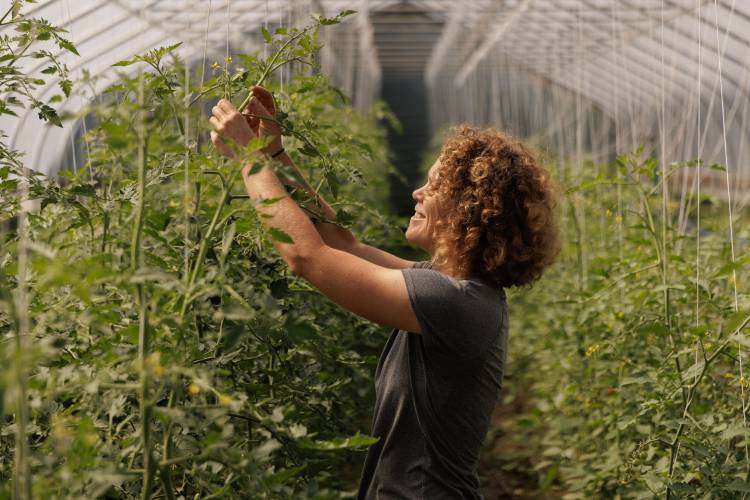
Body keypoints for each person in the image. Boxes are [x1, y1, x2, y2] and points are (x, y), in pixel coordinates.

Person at [209, 85, 561, 499]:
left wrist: (249, 159)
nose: (418, 194)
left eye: (433, 188)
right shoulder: (455, 290)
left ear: (470, 211)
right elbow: (344, 244)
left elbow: (308, 257)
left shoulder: (452, 302)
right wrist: (273, 153)